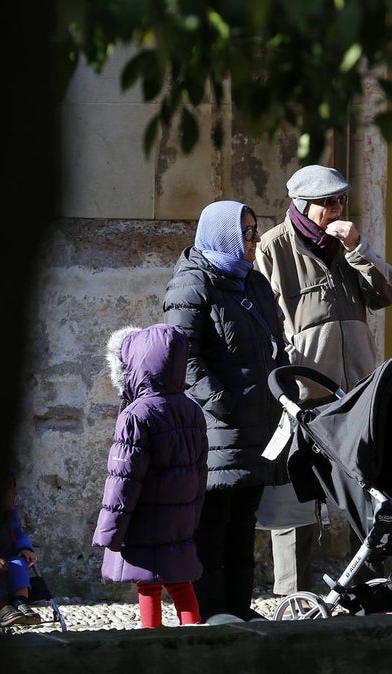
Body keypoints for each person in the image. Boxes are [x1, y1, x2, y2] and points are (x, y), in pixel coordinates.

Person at [254, 164, 392, 590]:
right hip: (303, 394)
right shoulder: (272, 248)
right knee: (296, 499)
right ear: (302, 205)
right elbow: (268, 321)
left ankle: (370, 588)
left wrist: (358, 249)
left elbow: (387, 292)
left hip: (355, 393)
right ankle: (293, 593)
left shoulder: (348, 244)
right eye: (327, 203)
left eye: (341, 201)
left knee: (365, 492)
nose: (337, 210)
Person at [163, 199, 288, 621]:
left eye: (255, 230)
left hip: (259, 424)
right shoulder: (193, 284)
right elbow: (181, 356)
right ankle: (210, 611)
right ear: (223, 234)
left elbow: (275, 340)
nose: (254, 240)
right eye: (246, 232)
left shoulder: (251, 282)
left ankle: (238, 608)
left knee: (243, 526)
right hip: (218, 427)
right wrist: (223, 403)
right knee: (213, 525)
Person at [92, 323, 209, 628]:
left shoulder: (135, 415)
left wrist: (109, 531)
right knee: (181, 582)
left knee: (148, 583)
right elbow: (200, 470)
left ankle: (150, 638)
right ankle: (196, 636)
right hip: (179, 518)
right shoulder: (192, 410)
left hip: (144, 519)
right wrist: (193, 516)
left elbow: (123, 479)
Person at [0, 471, 43, 627]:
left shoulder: (10, 515)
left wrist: (25, 548)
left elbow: (18, 532)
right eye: (10, 490)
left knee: (19, 564)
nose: (14, 494)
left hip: (8, 556)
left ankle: (20, 602)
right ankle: (0, 605)